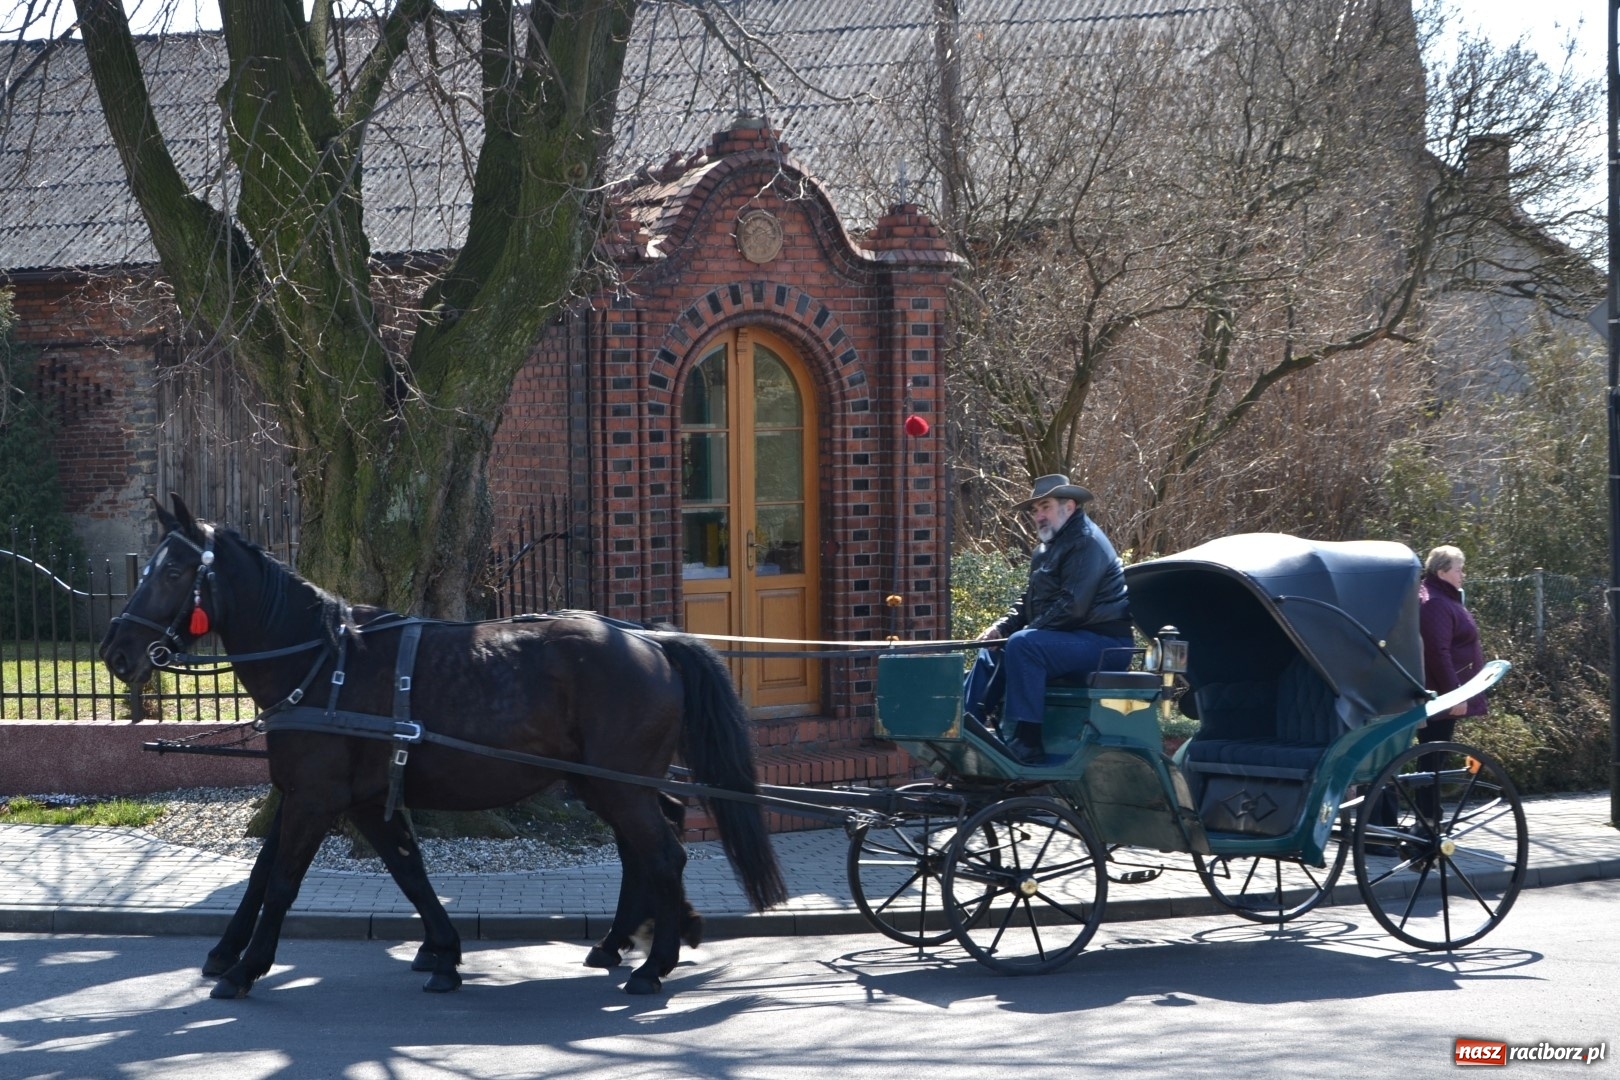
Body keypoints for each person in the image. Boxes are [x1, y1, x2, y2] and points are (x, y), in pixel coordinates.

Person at [962, 474, 1133, 764]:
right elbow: (1028, 600)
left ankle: (1028, 740)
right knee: (991, 649)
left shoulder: (1085, 541)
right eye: (1034, 510)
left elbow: (1072, 606)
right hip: (1066, 638)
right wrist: (1000, 629)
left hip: (1103, 643)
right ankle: (968, 726)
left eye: (1045, 507)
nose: (1038, 515)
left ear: (1069, 506)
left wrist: (1021, 635)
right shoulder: (1046, 548)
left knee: (1022, 645)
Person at [1414, 544, 1487, 825]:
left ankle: (1429, 814)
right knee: (1433, 755)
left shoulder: (1441, 599)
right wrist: (1454, 693)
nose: (1463, 574)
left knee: (1435, 755)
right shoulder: (1434, 603)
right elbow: (1437, 652)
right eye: (1459, 569)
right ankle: (1428, 817)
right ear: (1442, 570)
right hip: (1441, 695)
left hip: (1444, 692)